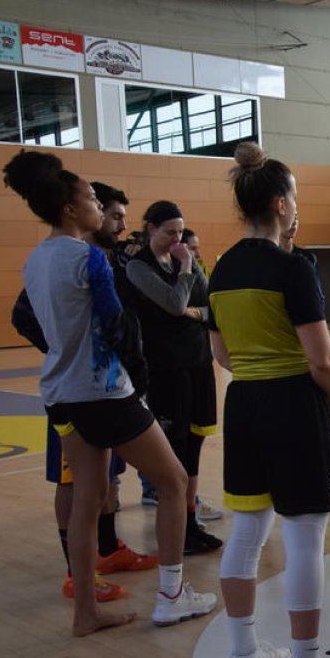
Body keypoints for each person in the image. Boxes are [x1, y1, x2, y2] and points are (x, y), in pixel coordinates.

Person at [7, 150, 216, 636]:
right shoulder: (89, 258)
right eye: (91, 198)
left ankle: (85, 611)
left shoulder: (36, 260)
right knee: (174, 481)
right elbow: (117, 326)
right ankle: (172, 595)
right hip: (104, 393)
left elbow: (40, 322)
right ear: (68, 209)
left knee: (88, 497)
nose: (99, 206)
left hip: (61, 393)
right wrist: (139, 385)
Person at [209, 142, 330, 658]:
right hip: (293, 405)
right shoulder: (293, 270)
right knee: (305, 535)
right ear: (282, 206)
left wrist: (259, 376)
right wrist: (329, 398)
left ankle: (243, 650)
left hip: (243, 406)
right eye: (297, 197)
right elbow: (323, 361)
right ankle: (306, 654)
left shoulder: (219, 270)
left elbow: (221, 353)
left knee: (246, 530)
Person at [11, 181, 157, 604]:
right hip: (84, 389)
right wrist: (61, 345)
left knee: (103, 485)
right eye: (111, 214)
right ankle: (79, 574)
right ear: (78, 212)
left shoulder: (106, 260)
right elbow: (24, 314)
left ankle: (108, 552)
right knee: (74, 485)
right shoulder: (70, 258)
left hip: (97, 387)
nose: (120, 223)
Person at [122, 200, 223, 555]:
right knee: (175, 448)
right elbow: (172, 304)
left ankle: (191, 521)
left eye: (181, 231)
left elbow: (216, 307)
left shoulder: (186, 263)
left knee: (194, 444)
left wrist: (195, 309)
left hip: (197, 363)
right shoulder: (138, 267)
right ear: (150, 228)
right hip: (165, 369)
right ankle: (177, 530)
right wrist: (185, 267)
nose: (177, 238)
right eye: (170, 232)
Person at [280, 214, 330, 503]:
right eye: (291, 216)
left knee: (320, 423)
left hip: (308, 344)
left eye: (299, 217)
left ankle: (327, 479)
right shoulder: (268, 263)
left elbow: (314, 303)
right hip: (282, 355)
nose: (295, 221)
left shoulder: (305, 259)